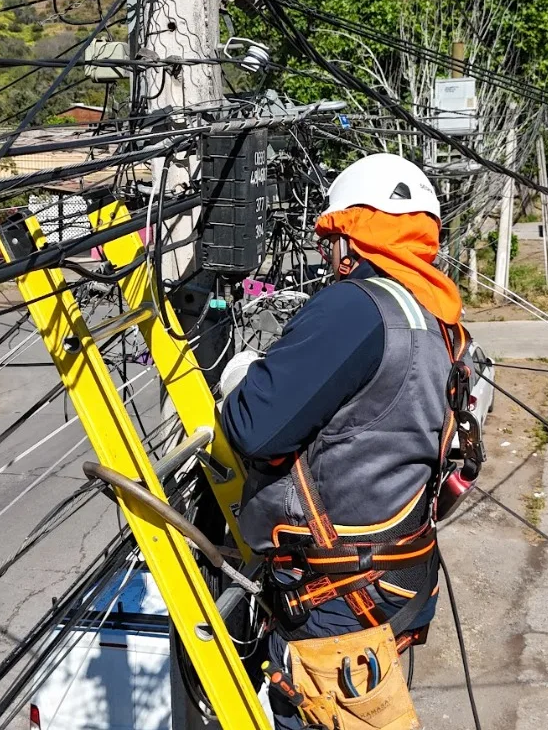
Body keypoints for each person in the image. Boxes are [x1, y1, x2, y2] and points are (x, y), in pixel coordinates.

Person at [220, 153, 475, 730]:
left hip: (333, 594)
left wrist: (242, 381)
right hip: (393, 574)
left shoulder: (356, 307)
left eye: (329, 237)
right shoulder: (437, 314)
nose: (324, 254)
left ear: (351, 237)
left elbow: (256, 430)